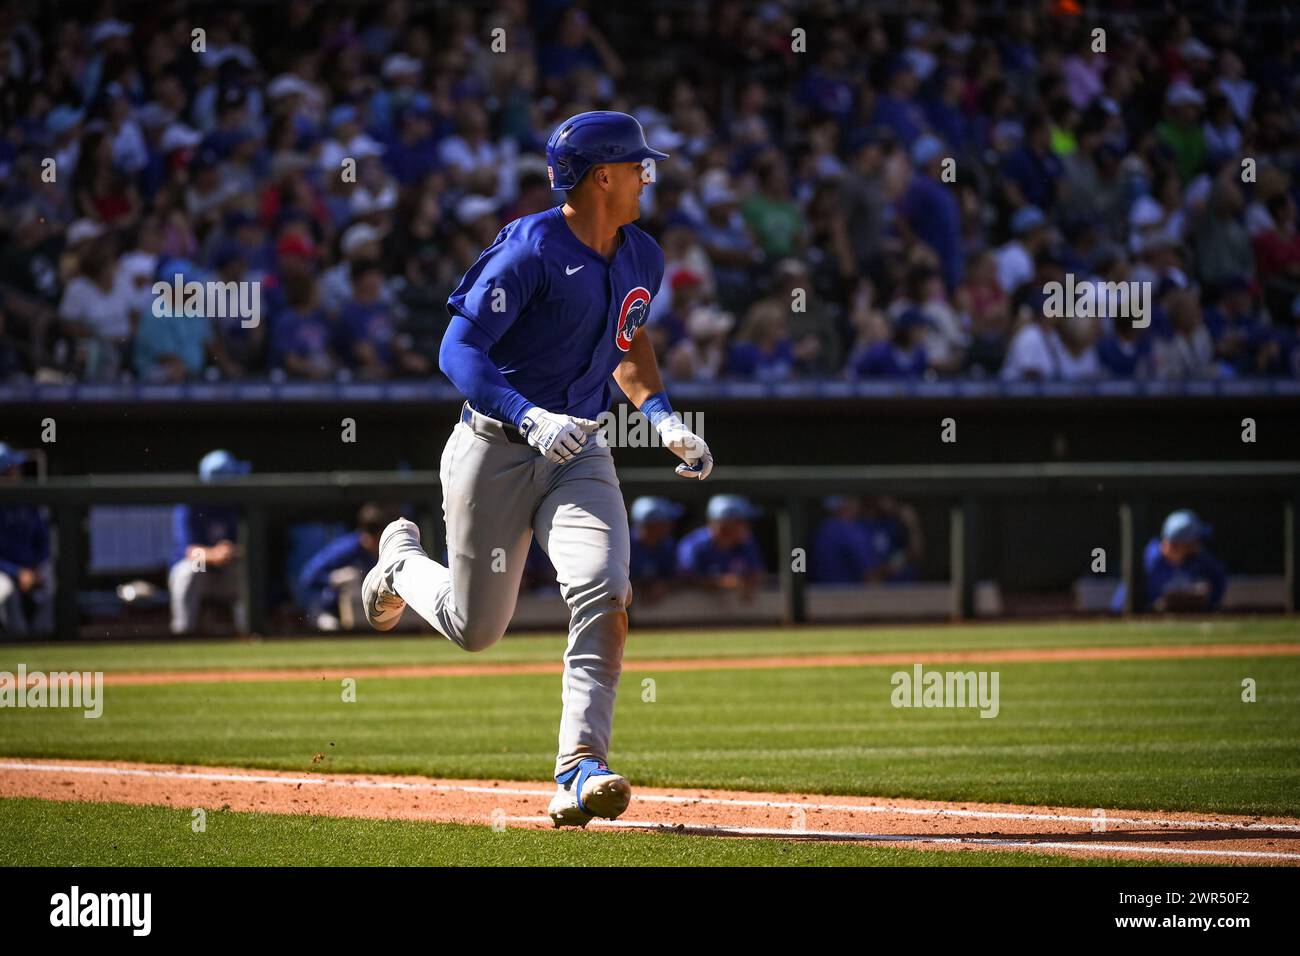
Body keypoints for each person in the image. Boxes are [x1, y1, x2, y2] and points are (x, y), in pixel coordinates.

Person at [361, 112, 711, 828]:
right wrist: (529, 415)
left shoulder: (642, 253)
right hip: (494, 446)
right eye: (637, 165)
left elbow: (628, 341)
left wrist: (663, 417)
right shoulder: (530, 249)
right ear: (601, 176)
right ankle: (400, 567)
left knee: (604, 587)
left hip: (579, 448)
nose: (649, 175)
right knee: (475, 628)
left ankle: (580, 766)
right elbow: (459, 351)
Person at [169, 450, 249, 635]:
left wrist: (231, 552)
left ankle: (248, 632)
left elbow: (247, 547)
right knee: (190, 569)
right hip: (201, 570)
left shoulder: (238, 505)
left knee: (246, 570)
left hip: (226, 569)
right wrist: (215, 554)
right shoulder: (190, 505)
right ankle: (183, 633)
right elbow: (189, 551)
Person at [295, 503, 395, 631]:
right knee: (331, 626)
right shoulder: (346, 548)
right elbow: (307, 576)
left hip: (366, 613)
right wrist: (333, 578)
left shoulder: (386, 551)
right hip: (329, 609)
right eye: (375, 538)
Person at [0, 443, 52, 635]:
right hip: (5, 572)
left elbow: (43, 540)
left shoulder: (28, 502)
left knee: (51, 584)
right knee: (4, 591)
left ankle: (46, 639)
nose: (17, 473)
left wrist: (36, 568)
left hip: (31, 569)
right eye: (10, 470)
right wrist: (17, 572)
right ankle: (18, 640)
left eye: (16, 469)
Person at [676, 495, 764, 598]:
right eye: (741, 522)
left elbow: (757, 573)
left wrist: (749, 583)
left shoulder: (746, 543)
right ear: (724, 524)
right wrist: (722, 582)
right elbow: (685, 579)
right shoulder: (694, 545)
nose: (747, 526)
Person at [1141, 509, 1227, 612]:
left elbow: (1219, 583)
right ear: (1181, 544)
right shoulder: (1149, 560)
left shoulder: (1201, 560)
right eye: (1195, 540)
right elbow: (1123, 604)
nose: (1199, 544)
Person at [628, 496, 683, 605]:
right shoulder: (624, 545)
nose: (670, 526)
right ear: (651, 524)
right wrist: (645, 586)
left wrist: (664, 584)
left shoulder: (667, 545)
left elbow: (677, 577)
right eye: (665, 522)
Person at [812, 495, 879, 584]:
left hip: (822, 593)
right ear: (847, 503)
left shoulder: (823, 528)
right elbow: (871, 575)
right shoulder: (849, 531)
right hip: (848, 594)